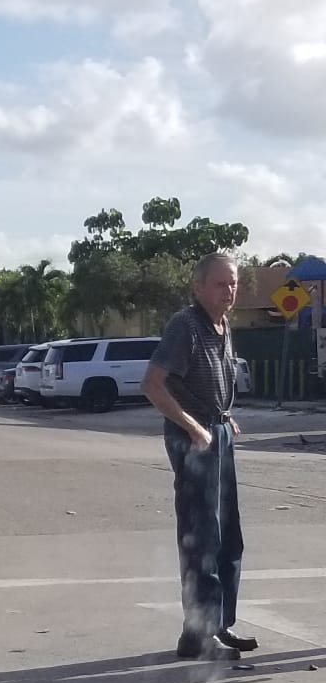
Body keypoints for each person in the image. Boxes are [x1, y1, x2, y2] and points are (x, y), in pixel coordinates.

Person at [142, 252, 252, 661]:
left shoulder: (221, 325)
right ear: (199, 286)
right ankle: (198, 633)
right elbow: (153, 385)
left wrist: (225, 417)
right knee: (201, 536)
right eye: (221, 284)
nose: (230, 291)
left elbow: (209, 381)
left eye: (234, 283)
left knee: (228, 536)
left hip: (217, 430)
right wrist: (195, 427)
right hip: (195, 440)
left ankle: (217, 626)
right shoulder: (185, 325)